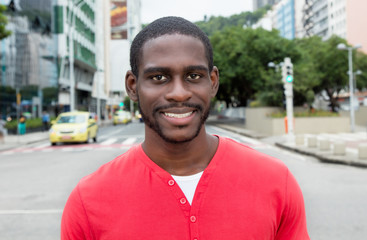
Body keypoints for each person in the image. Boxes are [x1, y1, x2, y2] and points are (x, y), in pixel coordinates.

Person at [61, 16, 310, 239]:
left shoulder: (276, 182)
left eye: (193, 76)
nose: (178, 94)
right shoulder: (88, 200)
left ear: (212, 82)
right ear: (132, 86)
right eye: (159, 77)